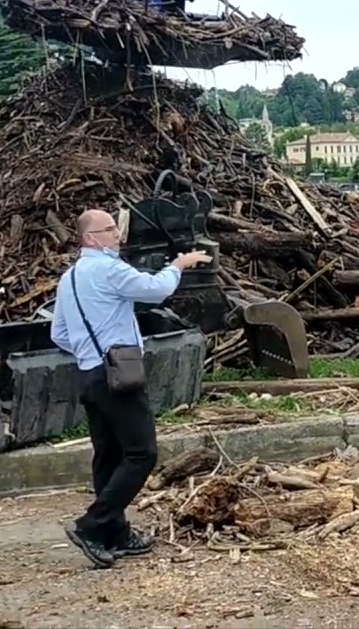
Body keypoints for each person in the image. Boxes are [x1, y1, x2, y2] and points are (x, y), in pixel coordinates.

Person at [50, 208, 212, 568]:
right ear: (90, 238)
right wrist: (179, 265)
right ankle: (92, 526)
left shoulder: (69, 278)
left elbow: (58, 333)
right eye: (109, 230)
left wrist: (89, 351)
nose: (116, 236)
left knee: (107, 455)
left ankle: (116, 532)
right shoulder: (108, 268)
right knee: (142, 453)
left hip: (90, 373)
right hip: (119, 374)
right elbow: (155, 291)